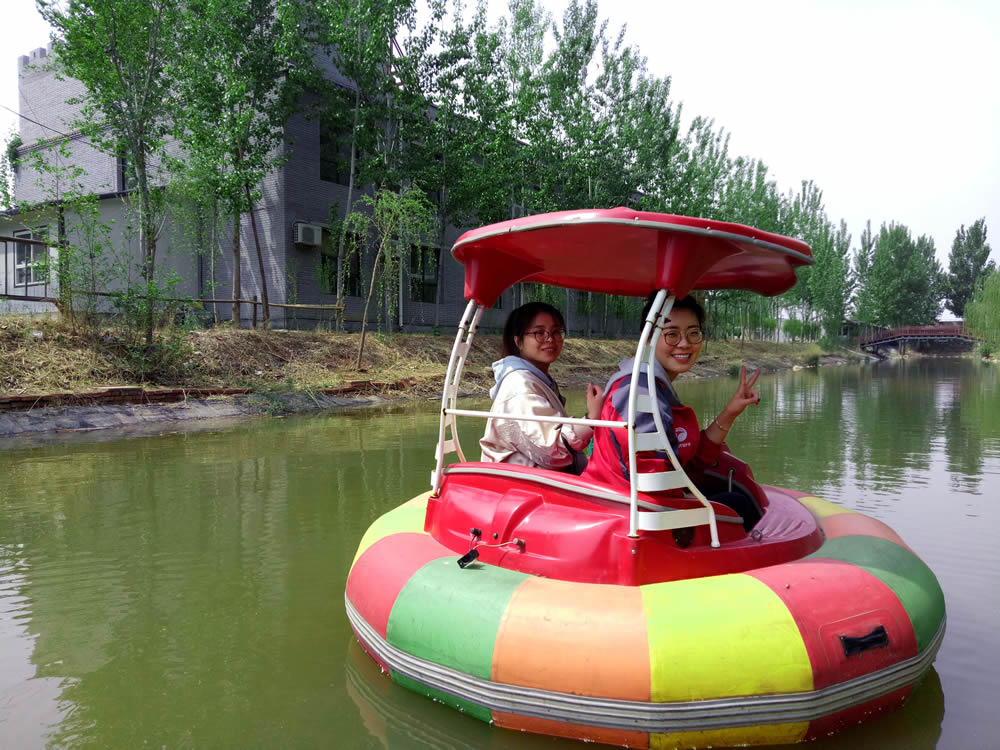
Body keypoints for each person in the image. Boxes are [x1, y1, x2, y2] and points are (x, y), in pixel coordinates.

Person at [584, 294, 762, 528]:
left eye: (693, 333)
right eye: (671, 334)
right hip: (632, 513)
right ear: (648, 338)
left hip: (643, 503)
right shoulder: (639, 392)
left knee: (734, 497)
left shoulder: (654, 384)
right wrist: (692, 500)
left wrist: (731, 411)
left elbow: (690, 462)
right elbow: (653, 481)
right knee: (741, 505)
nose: (685, 343)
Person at [480, 302, 602, 473]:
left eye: (556, 331)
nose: (550, 339)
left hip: (540, 477)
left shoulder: (538, 380)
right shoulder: (519, 386)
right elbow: (551, 452)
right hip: (524, 483)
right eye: (539, 333)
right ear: (518, 341)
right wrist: (592, 418)